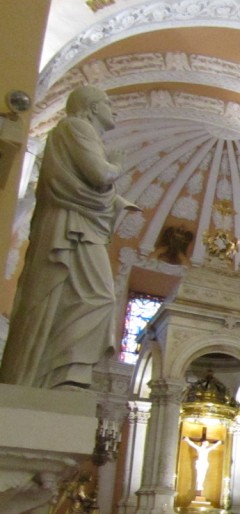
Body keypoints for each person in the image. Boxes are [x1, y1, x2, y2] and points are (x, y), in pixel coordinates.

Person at [0, 85, 138, 390]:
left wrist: (115, 201)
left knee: (95, 297)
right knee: (95, 296)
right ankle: (58, 375)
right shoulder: (76, 127)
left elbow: (94, 187)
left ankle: (66, 375)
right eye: (107, 103)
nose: (112, 108)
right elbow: (100, 175)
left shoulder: (80, 132)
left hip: (81, 226)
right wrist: (117, 165)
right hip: (71, 226)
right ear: (90, 107)